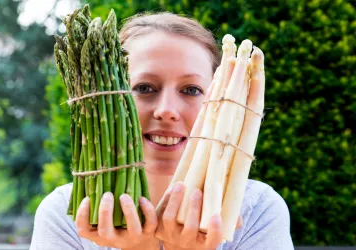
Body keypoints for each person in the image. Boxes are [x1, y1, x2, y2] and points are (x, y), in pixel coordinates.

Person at [30, 12, 294, 250]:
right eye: (145, 88)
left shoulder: (256, 210)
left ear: (220, 99)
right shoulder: (64, 216)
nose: (166, 110)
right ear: (105, 99)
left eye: (191, 90)